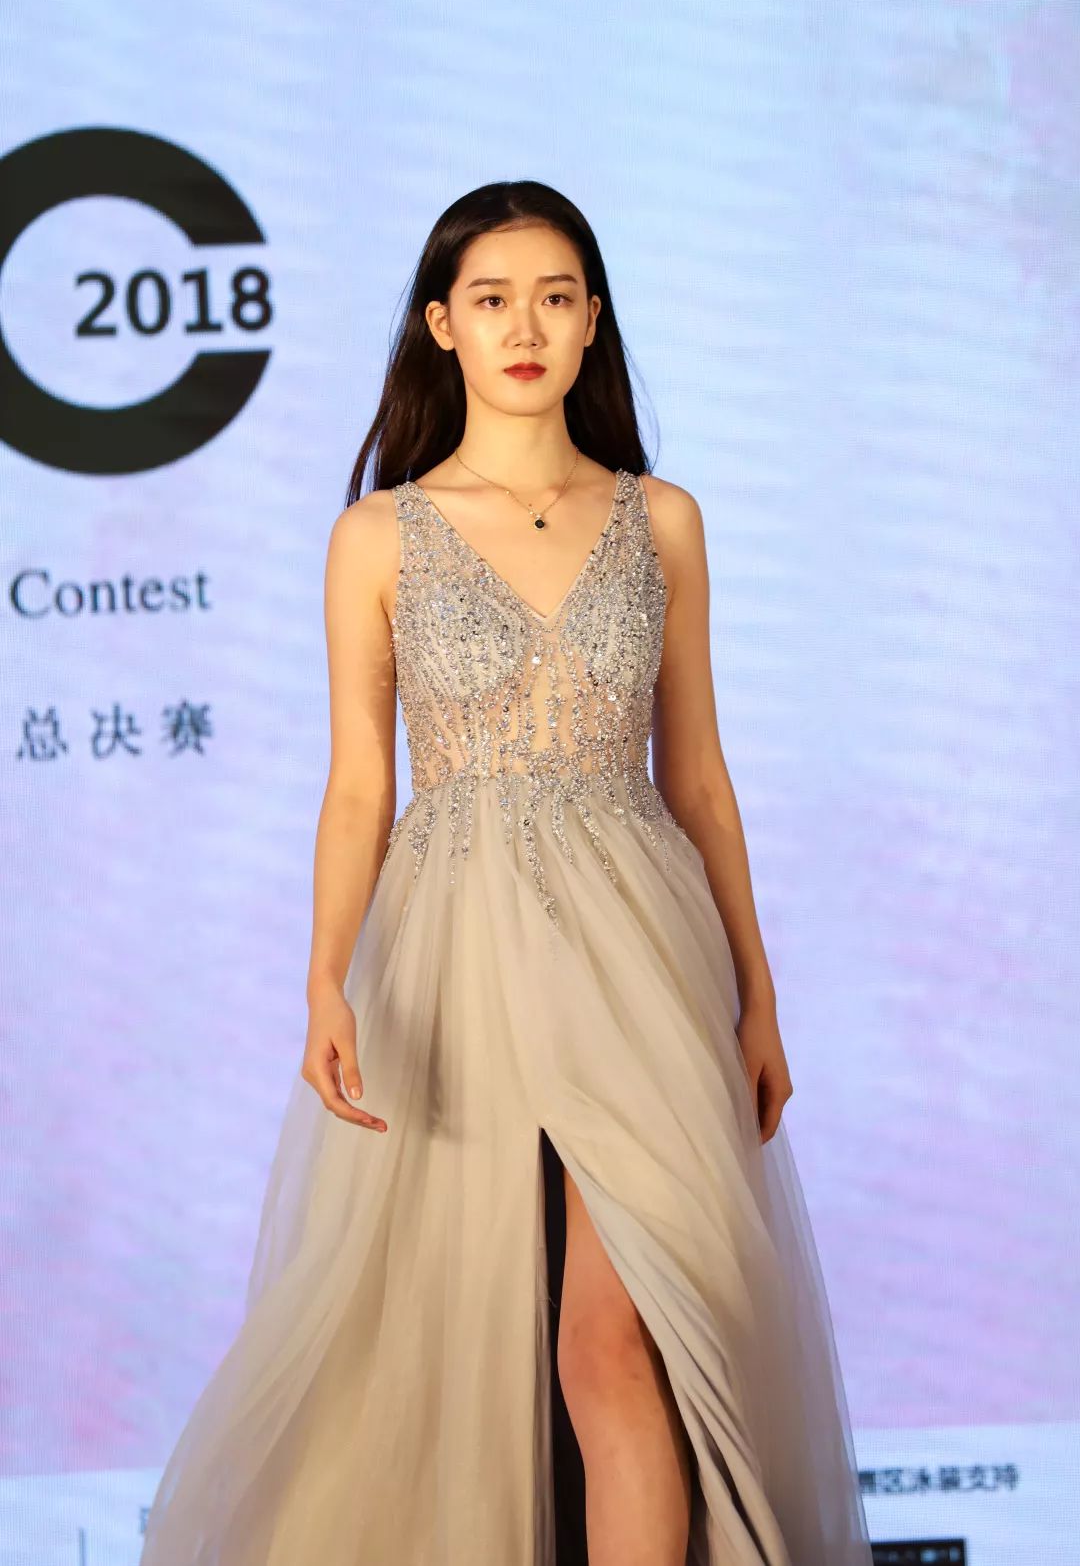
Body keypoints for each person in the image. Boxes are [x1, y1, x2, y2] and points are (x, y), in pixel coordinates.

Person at [140, 180, 873, 1566]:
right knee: (445, 1350)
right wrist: (325, 982)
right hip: (453, 962)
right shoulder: (379, 535)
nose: (524, 328)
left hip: (642, 958)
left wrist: (759, 995)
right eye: (491, 300)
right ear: (443, 326)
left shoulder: (663, 521)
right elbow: (361, 788)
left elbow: (699, 778)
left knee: (617, 1345)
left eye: (553, 298)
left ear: (593, 322)